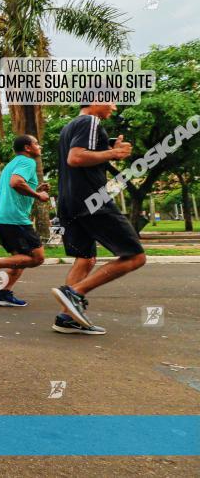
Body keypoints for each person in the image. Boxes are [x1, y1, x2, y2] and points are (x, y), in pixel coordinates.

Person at [51, 103, 146, 335]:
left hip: (68, 201)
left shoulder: (69, 127)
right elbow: (76, 158)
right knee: (135, 256)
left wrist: (107, 148)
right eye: (111, 100)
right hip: (92, 200)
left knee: (85, 259)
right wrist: (113, 153)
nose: (113, 107)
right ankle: (75, 292)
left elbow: (82, 156)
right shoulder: (90, 121)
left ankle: (66, 317)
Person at [0, 135, 49, 306]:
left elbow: (16, 187)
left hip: (1, 217)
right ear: (27, 148)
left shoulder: (12, 164)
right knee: (37, 257)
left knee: (21, 258)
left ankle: (3, 293)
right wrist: (39, 195)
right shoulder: (27, 162)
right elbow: (16, 183)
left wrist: (35, 190)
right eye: (36, 143)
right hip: (14, 218)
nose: (40, 146)